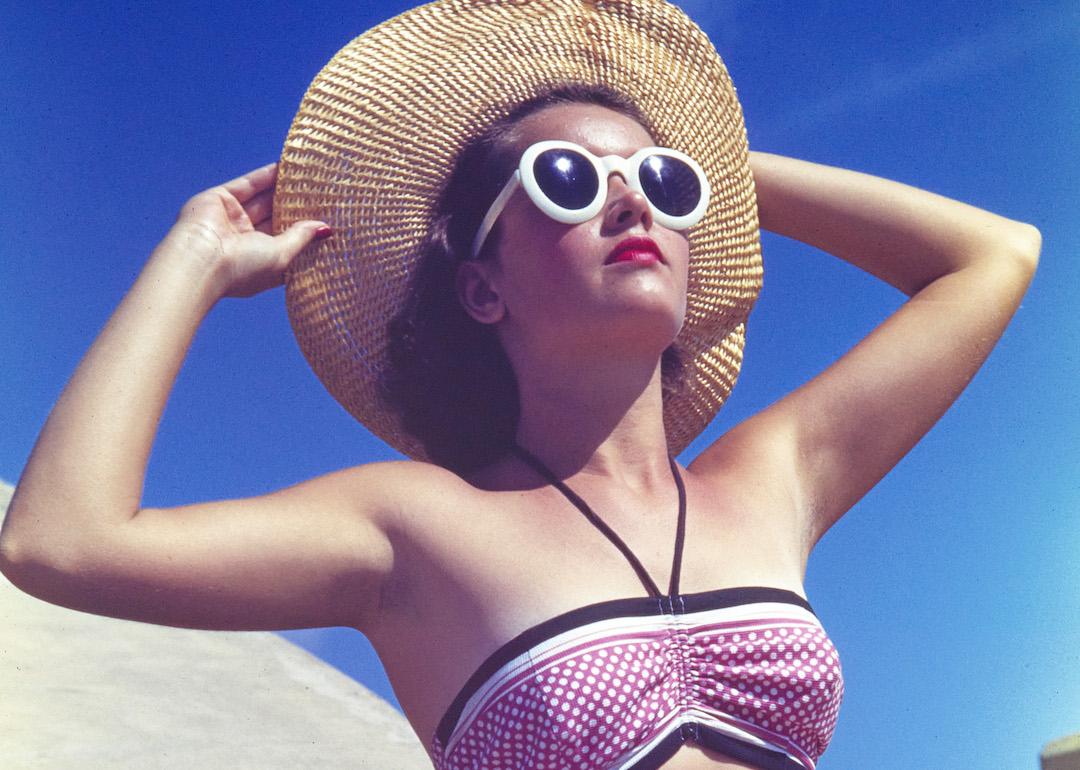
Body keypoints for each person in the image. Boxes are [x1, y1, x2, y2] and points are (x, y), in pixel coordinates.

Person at [0, 2, 1039, 769]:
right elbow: (59, 541)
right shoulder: (411, 529)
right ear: (482, 288)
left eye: (662, 187)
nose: (632, 203)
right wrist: (191, 259)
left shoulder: (770, 477)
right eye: (569, 182)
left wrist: (705, 159)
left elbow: (994, 254)